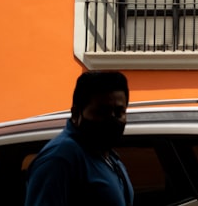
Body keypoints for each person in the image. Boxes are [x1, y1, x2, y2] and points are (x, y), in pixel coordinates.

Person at [24, 70, 134, 206]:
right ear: (76, 114)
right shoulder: (60, 159)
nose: (112, 120)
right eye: (101, 112)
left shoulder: (107, 156)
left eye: (119, 112)